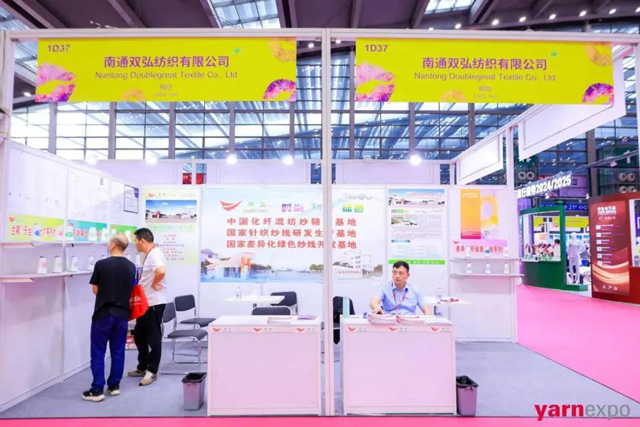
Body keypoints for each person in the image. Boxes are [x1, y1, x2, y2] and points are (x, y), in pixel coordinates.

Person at [82, 234, 137, 402]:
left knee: (98, 352)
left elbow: (95, 290)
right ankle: (114, 386)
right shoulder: (132, 267)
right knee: (118, 351)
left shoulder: (101, 265)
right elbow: (133, 289)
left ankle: (97, 389)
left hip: (103, 314)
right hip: (122, 314)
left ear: (113, 245)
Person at [128, 228, 167, 386]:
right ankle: (142, 366)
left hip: (153, 303)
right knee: (139, 335)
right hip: (146, 303)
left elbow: (161, 271)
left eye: (136, 241)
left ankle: (152, 370)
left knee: (153, 338)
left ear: (142, 241)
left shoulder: (154, 254)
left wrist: (154, 284)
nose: (135, 244)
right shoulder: (151, 254)